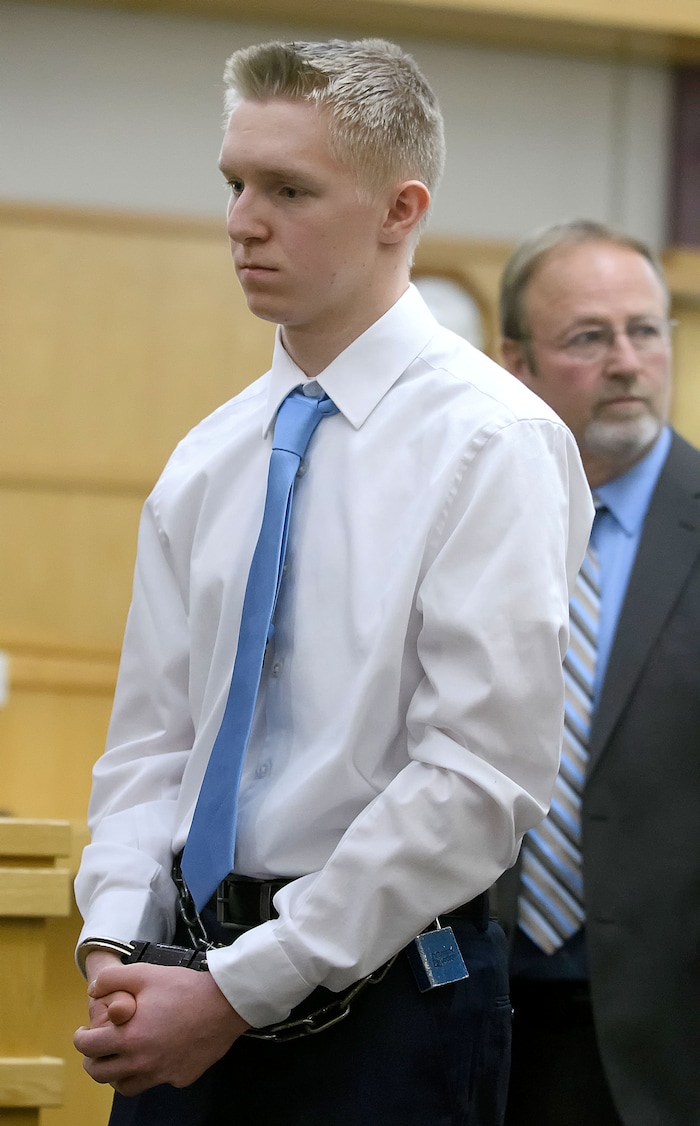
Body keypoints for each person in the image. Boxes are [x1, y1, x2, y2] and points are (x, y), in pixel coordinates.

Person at [72, 39, 591, 1126]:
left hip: (385, 1001)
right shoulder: (209, 458)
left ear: (401, 209)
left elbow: (476, 779)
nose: (241, 221)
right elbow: (152, 744)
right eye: (234, 184)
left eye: (288, 190)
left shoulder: (490, 442)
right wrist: (116, 937)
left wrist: (247, 981)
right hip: (173, 976)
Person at [497, 218, 700, 1126]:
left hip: (670, 1042)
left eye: (645, 330)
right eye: (588, 337)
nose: (626, 361)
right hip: (477, 1020)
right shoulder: (466, 528)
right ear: (516, 363)